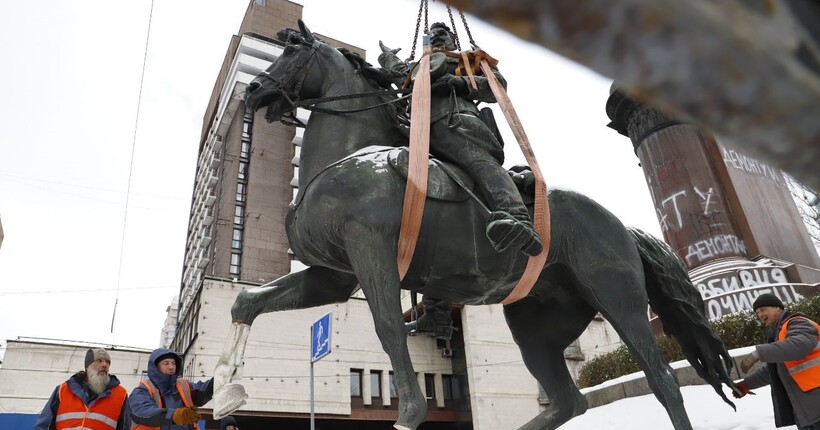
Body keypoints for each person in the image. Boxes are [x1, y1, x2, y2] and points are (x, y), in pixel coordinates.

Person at [378, 22, 543, 257]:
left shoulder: (467, 60)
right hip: (414, 131)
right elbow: (399, 77)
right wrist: (387, 59)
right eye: (432, 35)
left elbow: (497, 86)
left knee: (476, 159)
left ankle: (519, 219)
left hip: (455, 120)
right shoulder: (419, 67)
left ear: (454, 40)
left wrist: (462, 83)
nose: (436, 38)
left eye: (442, 34)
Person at [733, 293, 820, 429]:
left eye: (763, 309)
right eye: (757, 313)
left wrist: (758, 353)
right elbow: (777, 369)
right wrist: (747, 384)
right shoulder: (779, 334)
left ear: (778, 308)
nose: (760, 315)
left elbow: (799, 346)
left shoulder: (797, 322)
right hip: (808, 407)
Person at [34, 348, 130, 430]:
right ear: (88, 366)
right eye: (99, 361)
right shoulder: (63, 390)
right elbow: (44, 425)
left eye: (107, 362)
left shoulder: (120, 395)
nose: (105, 365)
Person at [129, 348, 214, 430]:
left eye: (173, 363)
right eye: (166, 363)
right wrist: (176, 415)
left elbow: (204, 390)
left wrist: (220, 380)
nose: (171, 367)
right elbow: (144, 412)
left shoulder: (184, 385)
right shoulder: (142, 391)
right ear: (156, 367)